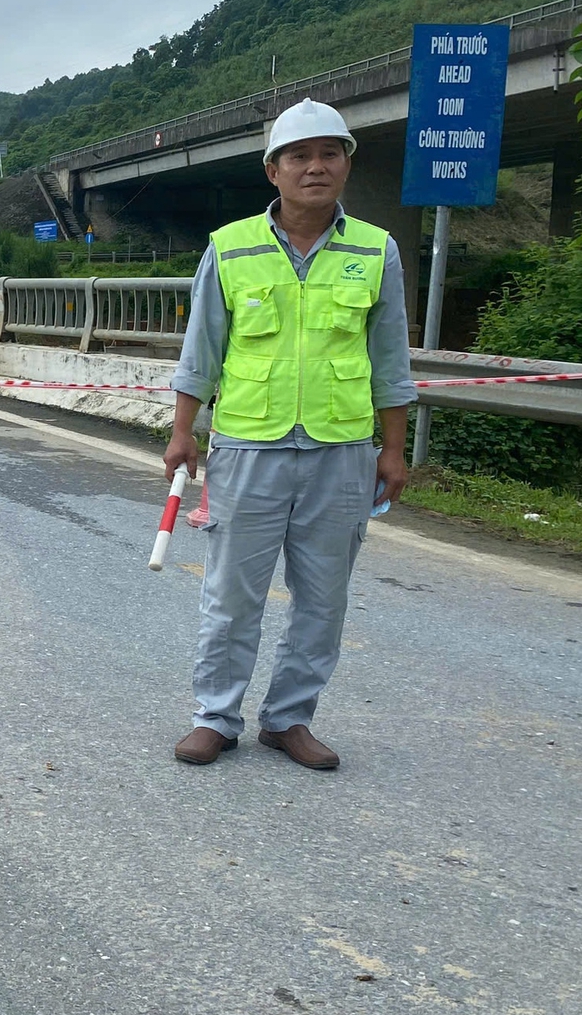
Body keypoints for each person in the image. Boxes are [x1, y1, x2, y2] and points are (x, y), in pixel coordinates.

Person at [164, 98, 417, 770]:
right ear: (272, 170)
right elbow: (202, 352)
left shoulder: (375, 249)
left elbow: (391, 361)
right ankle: (215, 717)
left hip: (340, 451)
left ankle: (288, 719)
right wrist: (182, 432)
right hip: (248, 445)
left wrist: (391, 450)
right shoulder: (231, 247)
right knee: (232, 594)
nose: (316, 167)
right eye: (299, 156)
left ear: (345, 166)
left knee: (323, 598)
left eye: (330, 154)